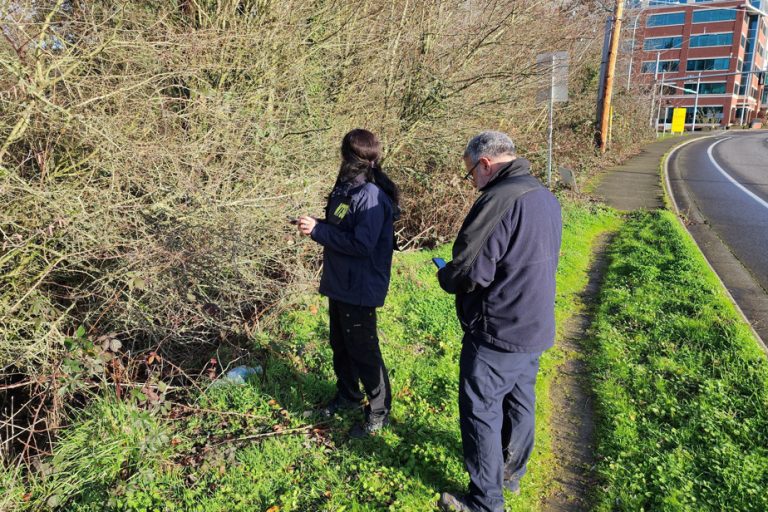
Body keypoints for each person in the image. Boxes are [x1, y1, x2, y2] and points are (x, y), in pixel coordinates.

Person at [436, 131, 562, 512]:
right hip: (534, 321)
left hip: (498, 328)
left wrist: (446, 276)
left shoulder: (497, 200)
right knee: (520, 401)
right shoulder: (544, 195)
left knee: (481, 411)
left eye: (470, 172)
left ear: (486, 164)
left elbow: (472, 270)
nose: (471, 180)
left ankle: (486, 502)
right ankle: (512, 474)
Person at [296, 128, 399, 438]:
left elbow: (362, 245)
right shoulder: (347, 190)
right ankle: (347, 397)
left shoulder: (369, 195)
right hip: (340, 284)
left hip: (360, 287)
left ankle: (379, 412)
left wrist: (319, 232)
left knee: (364, 351)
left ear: (349, 157)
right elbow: (342, 227)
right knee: (341, 346)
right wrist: (317, 226)